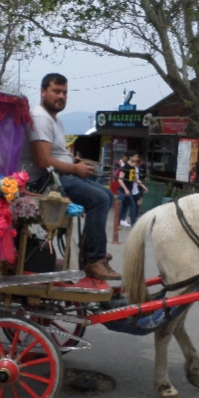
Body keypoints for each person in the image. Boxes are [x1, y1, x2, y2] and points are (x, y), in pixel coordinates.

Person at [19, 73, 120, 280]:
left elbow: (55, 154)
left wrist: (75, 162)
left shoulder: (54, 120)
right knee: (99, 199)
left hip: (56, 177)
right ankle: (95, 260)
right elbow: (43, 161)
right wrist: (76, 170)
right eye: (56, 91)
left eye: (64, 92)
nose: (61, 96)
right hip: (43, 182)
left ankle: (88, 253)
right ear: (43, 91)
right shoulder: (40, 118)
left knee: (107, 196)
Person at [117, 150, 137, 228]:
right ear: (131, 157)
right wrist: (125, 189)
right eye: (135, 157)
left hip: (129, 189)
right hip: (125, 190)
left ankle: (117, 222)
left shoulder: (133, 167)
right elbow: (120, 179)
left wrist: (142, 185)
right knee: (132, 206)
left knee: (123, 207)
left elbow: (134, 178)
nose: (136, 158)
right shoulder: (126, 167)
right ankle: (134, 224)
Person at [128, 153, 148, 226]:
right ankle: (132, 220)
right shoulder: (132, 167)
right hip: (131, 189)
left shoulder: (137, 168)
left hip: (136, 190)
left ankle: (135, 218)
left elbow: (137, 179)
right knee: (132, 206)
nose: (141, 163)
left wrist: (143, 186)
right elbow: (133, 179)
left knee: (137, 204)